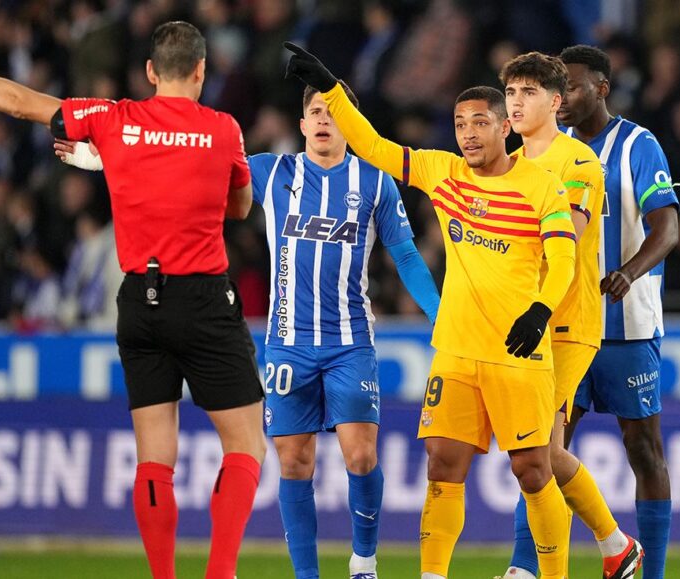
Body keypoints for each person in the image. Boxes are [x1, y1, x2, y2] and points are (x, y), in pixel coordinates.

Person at [0, 22, 266, 579]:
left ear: (151, 73)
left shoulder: (113, 120)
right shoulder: (224, 129)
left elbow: (17, 102)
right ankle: (220, 573)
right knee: (246, 446)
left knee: (156, 459)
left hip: (139, 300)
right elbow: (239, 208)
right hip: (204, 297)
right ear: (203, 71)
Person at [57, 81, 442, 579]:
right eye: (315, 112)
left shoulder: (375, 181)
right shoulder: (273, 171)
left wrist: (438, 312)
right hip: (287, 344)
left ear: (350, 123)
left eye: (334, 112)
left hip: (350, 342)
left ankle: (363, 562)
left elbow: (406, 255)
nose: (324, 119)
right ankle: (307, 575)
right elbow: (182, 173)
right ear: (302, 125)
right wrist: (99, 161)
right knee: (295, 462)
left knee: (361, 454)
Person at [284, 43, 578, 579]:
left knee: (534, 472)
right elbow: (372, 145)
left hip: (518, 353)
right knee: (441, 465)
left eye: (480, 122)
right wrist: (330, 87)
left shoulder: (542, 187)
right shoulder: (443, 173)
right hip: (457, 352)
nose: (468, 132)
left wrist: (539, 310)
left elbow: (563, 260)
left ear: (505, 129)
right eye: (460, 122)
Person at [499, 52, 641, 579]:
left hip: (566, 322)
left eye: (528, 92)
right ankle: (615, 546)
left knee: (535, 450)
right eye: (511, 93)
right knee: (542, 452)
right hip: (519, 324)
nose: (515, 103)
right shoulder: (508, 160)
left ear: (556, 102)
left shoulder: (579, 161)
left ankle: (540, 568)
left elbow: (564, 239)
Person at [558, 45, 680, 579]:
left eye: (574, 87)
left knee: (644, 450)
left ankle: (649, 572)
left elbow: (667, 227)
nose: (562, 98)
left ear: (602, 88)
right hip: (563, 327)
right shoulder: (546, 149)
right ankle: (528, 567)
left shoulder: (639, 145)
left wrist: (629, 272)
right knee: (541, 451)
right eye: (556, 88)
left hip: (626, 328)